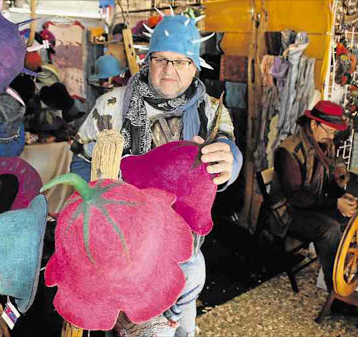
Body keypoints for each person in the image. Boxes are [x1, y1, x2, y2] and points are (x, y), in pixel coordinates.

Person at [70, 14, 243, 337]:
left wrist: (230, 158)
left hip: (185, 249)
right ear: (147, 60)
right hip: (124, 254)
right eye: (161, 59)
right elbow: (79, 165)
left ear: (195, 66)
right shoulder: (111, 106)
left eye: (181, 62)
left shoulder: (210, 112)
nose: (169, 70)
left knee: (185, 312)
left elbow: (228, 150)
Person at [268, 100, 358, 311]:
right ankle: (337, 297)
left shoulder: (322, 145)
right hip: (289, 212)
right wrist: (334, 203)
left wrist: (342, 195)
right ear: (313, 124)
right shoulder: (289, 150)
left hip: (313, 204)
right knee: (329, 229)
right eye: (329, 131)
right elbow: (296, 197)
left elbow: (329, 180)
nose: (331, 136)